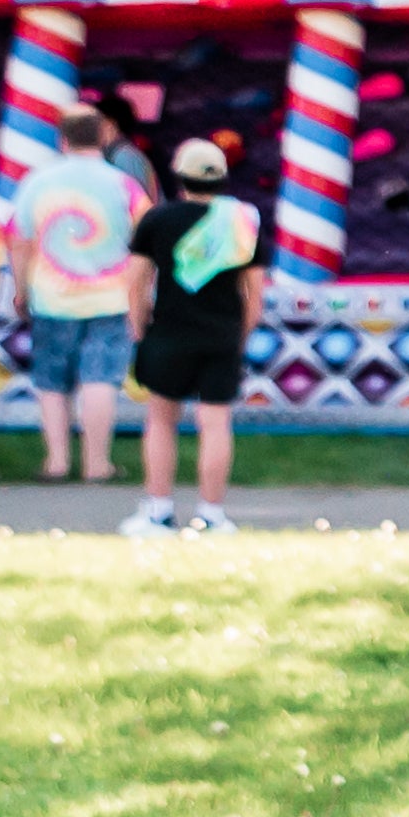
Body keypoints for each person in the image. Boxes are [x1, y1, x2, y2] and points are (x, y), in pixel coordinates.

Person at [125, 134, 262, 537]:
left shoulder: (157, 219)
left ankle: (159, 512)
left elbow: (136, 281)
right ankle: (212, 515)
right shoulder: (240, 224)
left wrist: (138, 323)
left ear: (179, 177)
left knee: (161, 421)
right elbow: (254, 292)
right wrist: (242, 333)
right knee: (216, 422)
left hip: (168, 331)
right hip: (221, 333)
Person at [15, 106, 148, 487]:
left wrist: (22, 290)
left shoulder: (37, 182)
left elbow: (21, 239)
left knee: (52, 383)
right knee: (100, 381)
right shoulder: (124, 185)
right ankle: (97, 464)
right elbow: (145, 242)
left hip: (52, 298)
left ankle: (56, 462)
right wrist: (141, 295)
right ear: (103, 136)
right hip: (111, 297)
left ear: (63, 139)